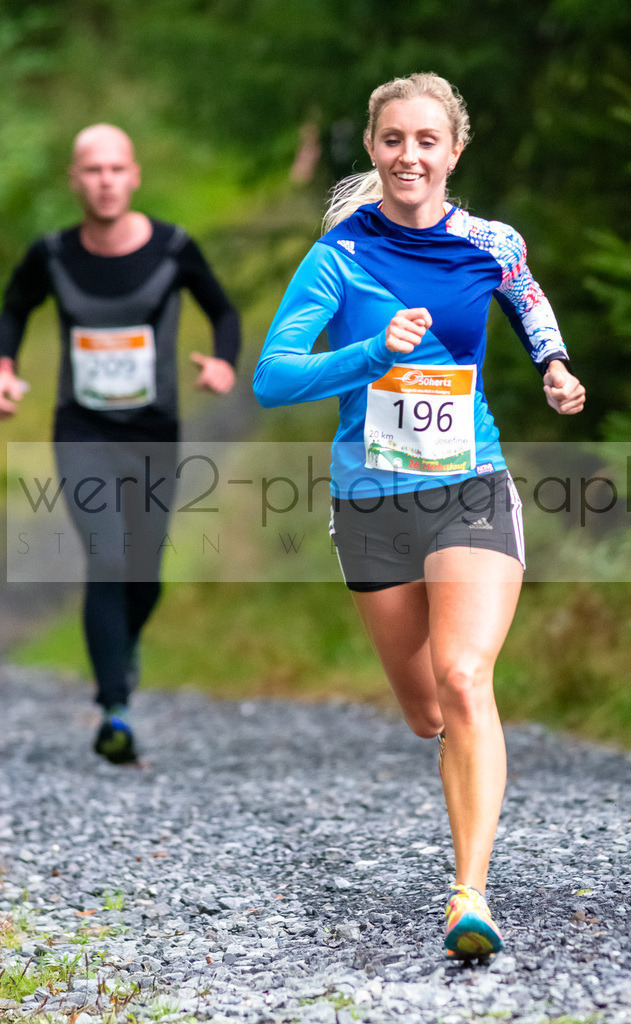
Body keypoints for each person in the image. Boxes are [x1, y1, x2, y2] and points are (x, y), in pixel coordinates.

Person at [253, 73, 585, 958]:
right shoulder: (339, 257)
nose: (409, 156)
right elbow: (274, 375)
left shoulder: (491, 242)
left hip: (468, 482)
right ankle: (451, 748)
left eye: (426, 141)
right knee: (426, 708)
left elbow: (525, 294)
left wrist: (552, 364)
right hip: (370, 501)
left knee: (466, 675)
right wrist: (367, 352)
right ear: (373, 147)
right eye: (393, 140)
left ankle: (469, 896)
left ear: (454, 150)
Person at [0, 124, 241, 765]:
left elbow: (223, 311)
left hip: (154, 433)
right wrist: (4, 367)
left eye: (115, 169)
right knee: (106, 557)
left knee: (144, 571)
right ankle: (115, 709)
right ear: (75, 180)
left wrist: (223, 362)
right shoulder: (50, 255)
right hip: (81, 430)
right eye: (91, 170)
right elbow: (14, 308)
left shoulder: (172, 247)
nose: (104, 180)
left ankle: (119, 651)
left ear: (133, 176)